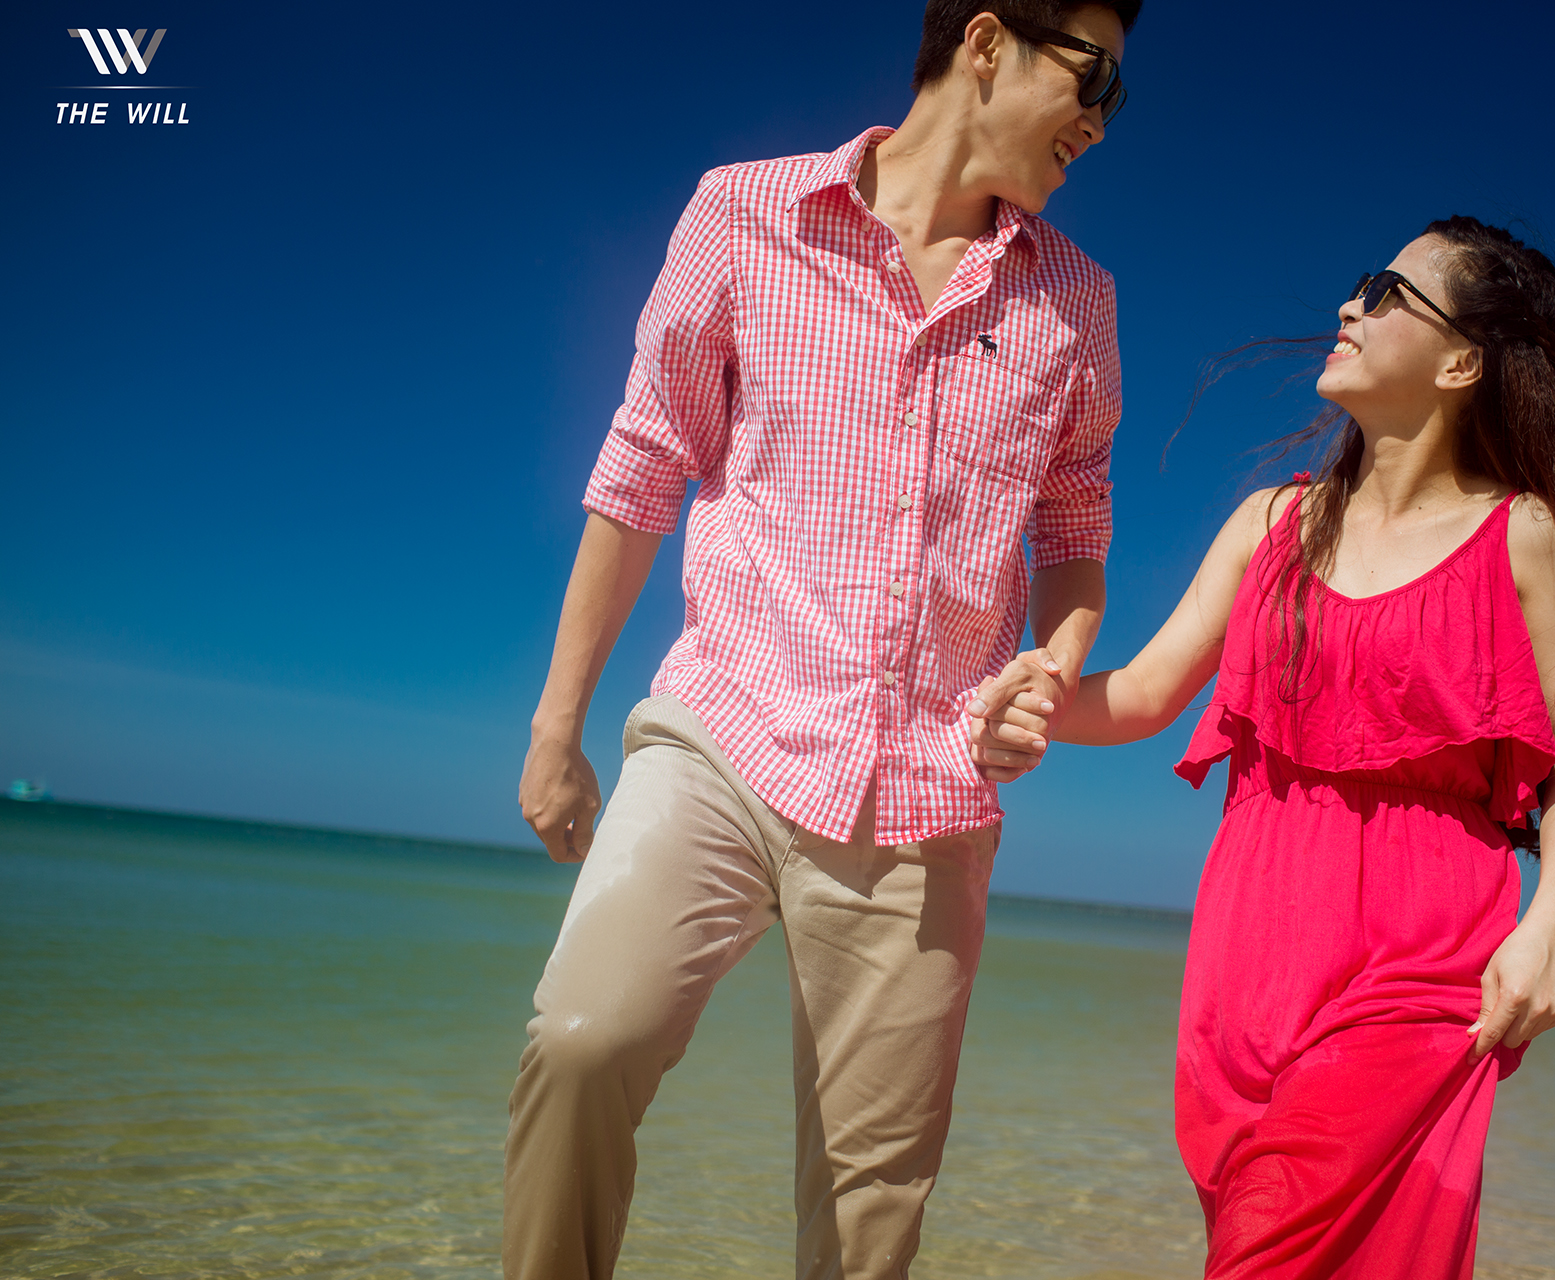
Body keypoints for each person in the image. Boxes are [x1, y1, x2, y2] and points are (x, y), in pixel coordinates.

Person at [504, 3, 1140, 1277]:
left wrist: (1051, 663)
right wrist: (556, 725)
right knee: (580, 1039)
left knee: (868, 1212)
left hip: (927, 794)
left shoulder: (1078, 302)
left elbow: (1074, 531)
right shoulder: (745, 211)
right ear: (984, 42)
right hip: (724, 735)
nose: (1101, 122)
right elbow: (644, 469)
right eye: (1094, 77)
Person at [968, 218, 1555, 1278]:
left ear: (1462, 362)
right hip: (1247, 957)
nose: (1348, 306)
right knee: (1253, 1224)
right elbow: (1143, 695)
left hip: (1423, 959)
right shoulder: (1269, 524)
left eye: (1386, 293)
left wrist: (1551, 927)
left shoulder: (1517, 534)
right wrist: (1022, 699)